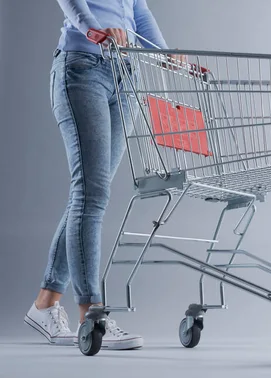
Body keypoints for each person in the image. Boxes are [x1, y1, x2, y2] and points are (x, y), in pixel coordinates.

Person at [24, 0, 181, 350]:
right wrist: (93, 29)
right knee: (91, 195)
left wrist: (166, 53)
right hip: (82, 67)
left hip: (124, 75)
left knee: (91, 193)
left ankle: (45, 303)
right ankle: (91, 316)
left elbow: (138, 10)